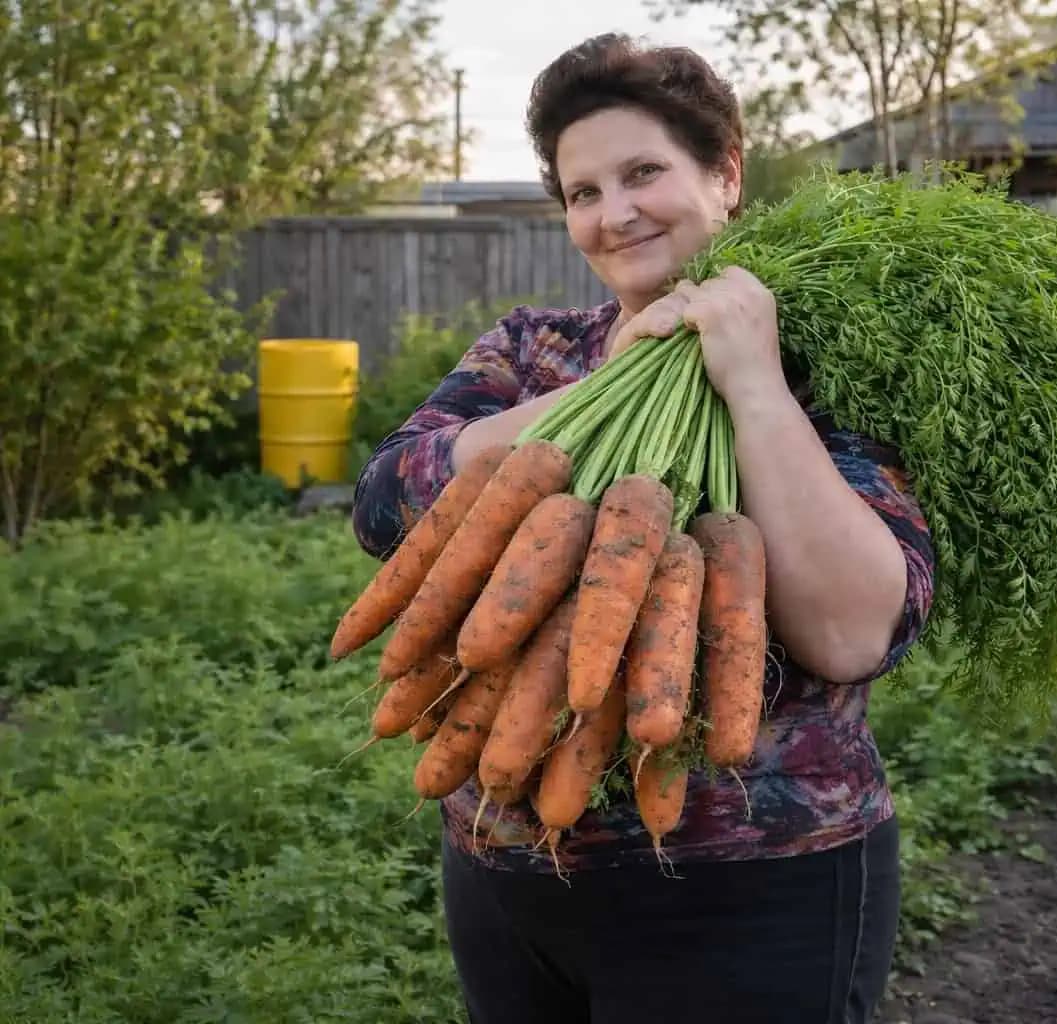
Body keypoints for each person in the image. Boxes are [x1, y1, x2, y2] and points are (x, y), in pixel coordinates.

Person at [350, 32, 935, 1024]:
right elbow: (384, 504)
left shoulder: (833, 366)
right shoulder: (535, 349)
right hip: (506, 865)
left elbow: (851, 632)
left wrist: (750, 381)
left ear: (725, 174)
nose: (614, 214)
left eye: (643, 173)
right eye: (583, 192)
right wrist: (606, 384)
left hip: (756, 886)